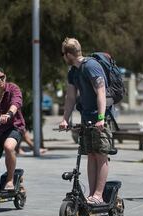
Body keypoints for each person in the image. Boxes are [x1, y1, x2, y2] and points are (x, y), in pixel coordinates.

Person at [59, 37, 113, 204]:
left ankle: (98, 194)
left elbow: (101, 92)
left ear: (68, 54)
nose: (63, 57)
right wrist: (65, 119)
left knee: (101, 154)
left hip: (99, 118)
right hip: (86, 118)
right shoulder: (73, 72)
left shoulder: (91, 66)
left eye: (63, 54)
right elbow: (70, 97)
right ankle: (91, 195)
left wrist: (101, 118)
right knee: (90, 154)